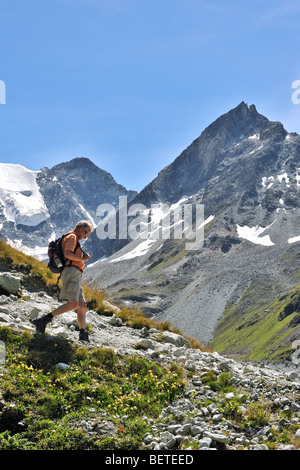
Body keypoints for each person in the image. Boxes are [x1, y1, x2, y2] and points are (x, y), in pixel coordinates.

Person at [31, 220, 93, 342]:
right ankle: (43, 320)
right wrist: (82, 258)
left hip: (75, 274)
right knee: (73, 304)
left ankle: (83, 335)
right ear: (81, 228)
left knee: (82, 305)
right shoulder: (72, 237)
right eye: (86, 233)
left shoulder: (73, 238)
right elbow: (68, 254)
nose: (85, 237)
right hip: (71, 272)